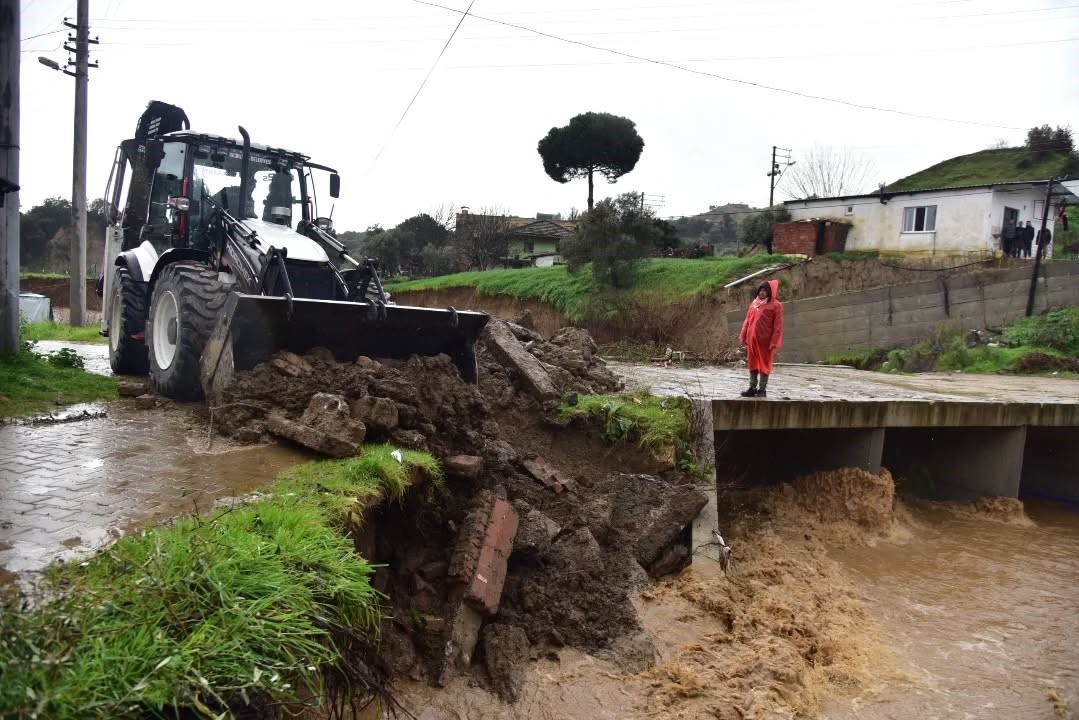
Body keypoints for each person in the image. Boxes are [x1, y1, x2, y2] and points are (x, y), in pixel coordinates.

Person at [738, 279, 784, 398]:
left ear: (769, 292)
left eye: (765, 290)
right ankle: (752, 388)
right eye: (760, 290)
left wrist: (774, 342)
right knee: (752, 364)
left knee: (765, 364)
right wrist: (743, 335)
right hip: (752, 340)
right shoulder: (754, 303)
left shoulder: (776, 306)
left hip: (765, 342)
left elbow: (778, 326)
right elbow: (747, 320)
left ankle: (762, 389)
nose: (762, 292)